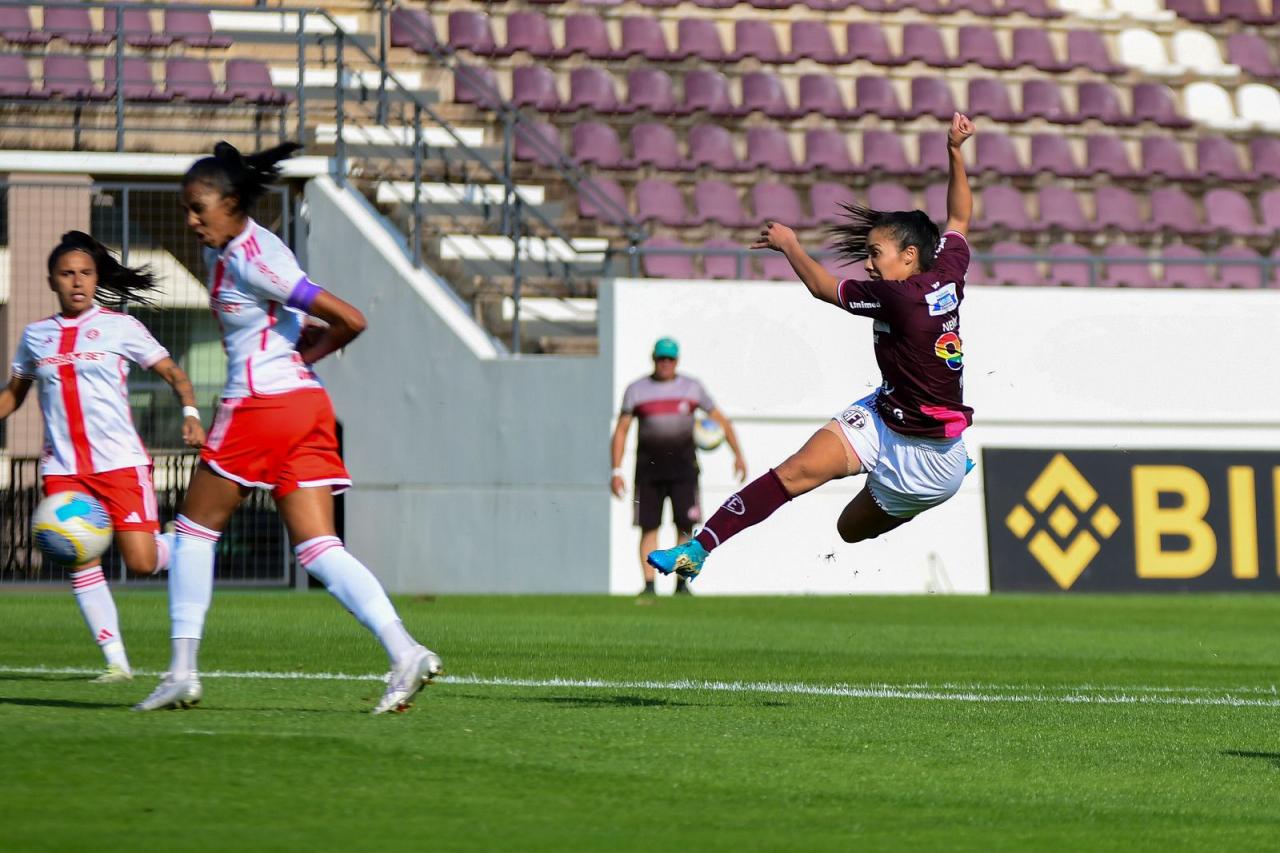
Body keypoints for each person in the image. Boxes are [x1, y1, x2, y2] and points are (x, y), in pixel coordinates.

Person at [134, 141, 442, 714]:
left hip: (261, 406)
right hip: (302, 409)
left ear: (231, 203)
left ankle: (180, 671)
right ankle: (405, 650)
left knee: (195, 532)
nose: (190, 220)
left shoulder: (253, 258)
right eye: (186, 209)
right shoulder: (233, 250)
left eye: (198, 208)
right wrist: (297, 348)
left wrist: (311, 351)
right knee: (319, 547)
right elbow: (285, 317)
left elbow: (350, 317)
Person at [648, 113, 977, 582]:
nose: (868, 264)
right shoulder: (946, 268)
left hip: (927, 465)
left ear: (908, 256)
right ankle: (699, 548)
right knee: (795, 473)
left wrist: (790, 245)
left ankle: (939, 476)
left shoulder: (900, 299)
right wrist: (955, 152)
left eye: (875, 254)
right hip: (886, 415)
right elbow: (960, 216)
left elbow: (824, 288)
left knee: (849, 531)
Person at [0, 231, 205, 682]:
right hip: (64, 470)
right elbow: (12, 397)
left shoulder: (121, 327)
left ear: (96, 279)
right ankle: (116, 662)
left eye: (86, 273)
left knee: (141, 562)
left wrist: (190, 413)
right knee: (79, 557)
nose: (77, 281)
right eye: (67, 274)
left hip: (120, 464)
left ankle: (187, 546)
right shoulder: (36, 336)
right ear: (52, 281)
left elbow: (173, 372)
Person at [610, 337, 746, 595]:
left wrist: (737, 455)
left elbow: (721, 421)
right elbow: (621, 431)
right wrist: (616, 470)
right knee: (649, 526)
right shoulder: (636, 390)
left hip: (684, 470)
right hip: (649, 471)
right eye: (661, 358)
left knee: (685, 526)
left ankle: (681, 584)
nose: (665, 364)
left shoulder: (692, 388)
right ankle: (649, 585)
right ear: (653, 359)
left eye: (670, 359)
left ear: (677, 361)